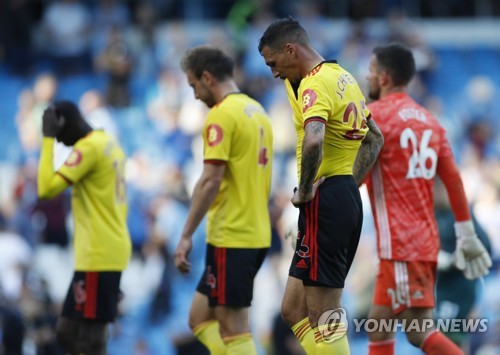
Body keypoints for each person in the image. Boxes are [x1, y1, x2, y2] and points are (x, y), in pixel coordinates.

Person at [259, 17, 384, 354]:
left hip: (324, 200)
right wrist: (347, 184)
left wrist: (308, 188)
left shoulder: (315, 85)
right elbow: (375, 139)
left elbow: (314, 140)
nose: (273, 72)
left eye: (273, 63)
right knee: (293, 309)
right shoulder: (343, 77)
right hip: (338, 196)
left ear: (290, 50)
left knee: (323, 315)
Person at [362, 43, 492, 355]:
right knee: (378, 327)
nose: (367, 78)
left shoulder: (375, 117)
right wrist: (466, 232)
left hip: (402, 244)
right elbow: (453, 179)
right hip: (415, 240)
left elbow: (351, 173)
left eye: (370, 72)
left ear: (382, 77)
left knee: (418, 332)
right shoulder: (430, 120)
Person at [174, 46, 273, 355]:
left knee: (234, 328)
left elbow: (210, 181)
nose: (194, 96)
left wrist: (187, 234)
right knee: (199, 318)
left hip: (234, 234)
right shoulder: (258, 112)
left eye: (193, 86)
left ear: (207, 77)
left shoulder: (221, 115)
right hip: (252, 231)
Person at [37, 101, 131, 354]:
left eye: (59, 134)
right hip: (109, 248)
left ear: (68, 125)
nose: (60, 143)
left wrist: (46, 139)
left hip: (98, 251)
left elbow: (46, 189)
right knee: (72, 333)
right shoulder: (110, 144)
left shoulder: (89, 148)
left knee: (88, 336)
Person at [434, 178, 492, 349]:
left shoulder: (461, 212)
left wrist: (453, 259)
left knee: (455, 338)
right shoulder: (433, 213)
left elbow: (485, 248)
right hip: (440, 287)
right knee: (436, 339)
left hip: (462, 287)